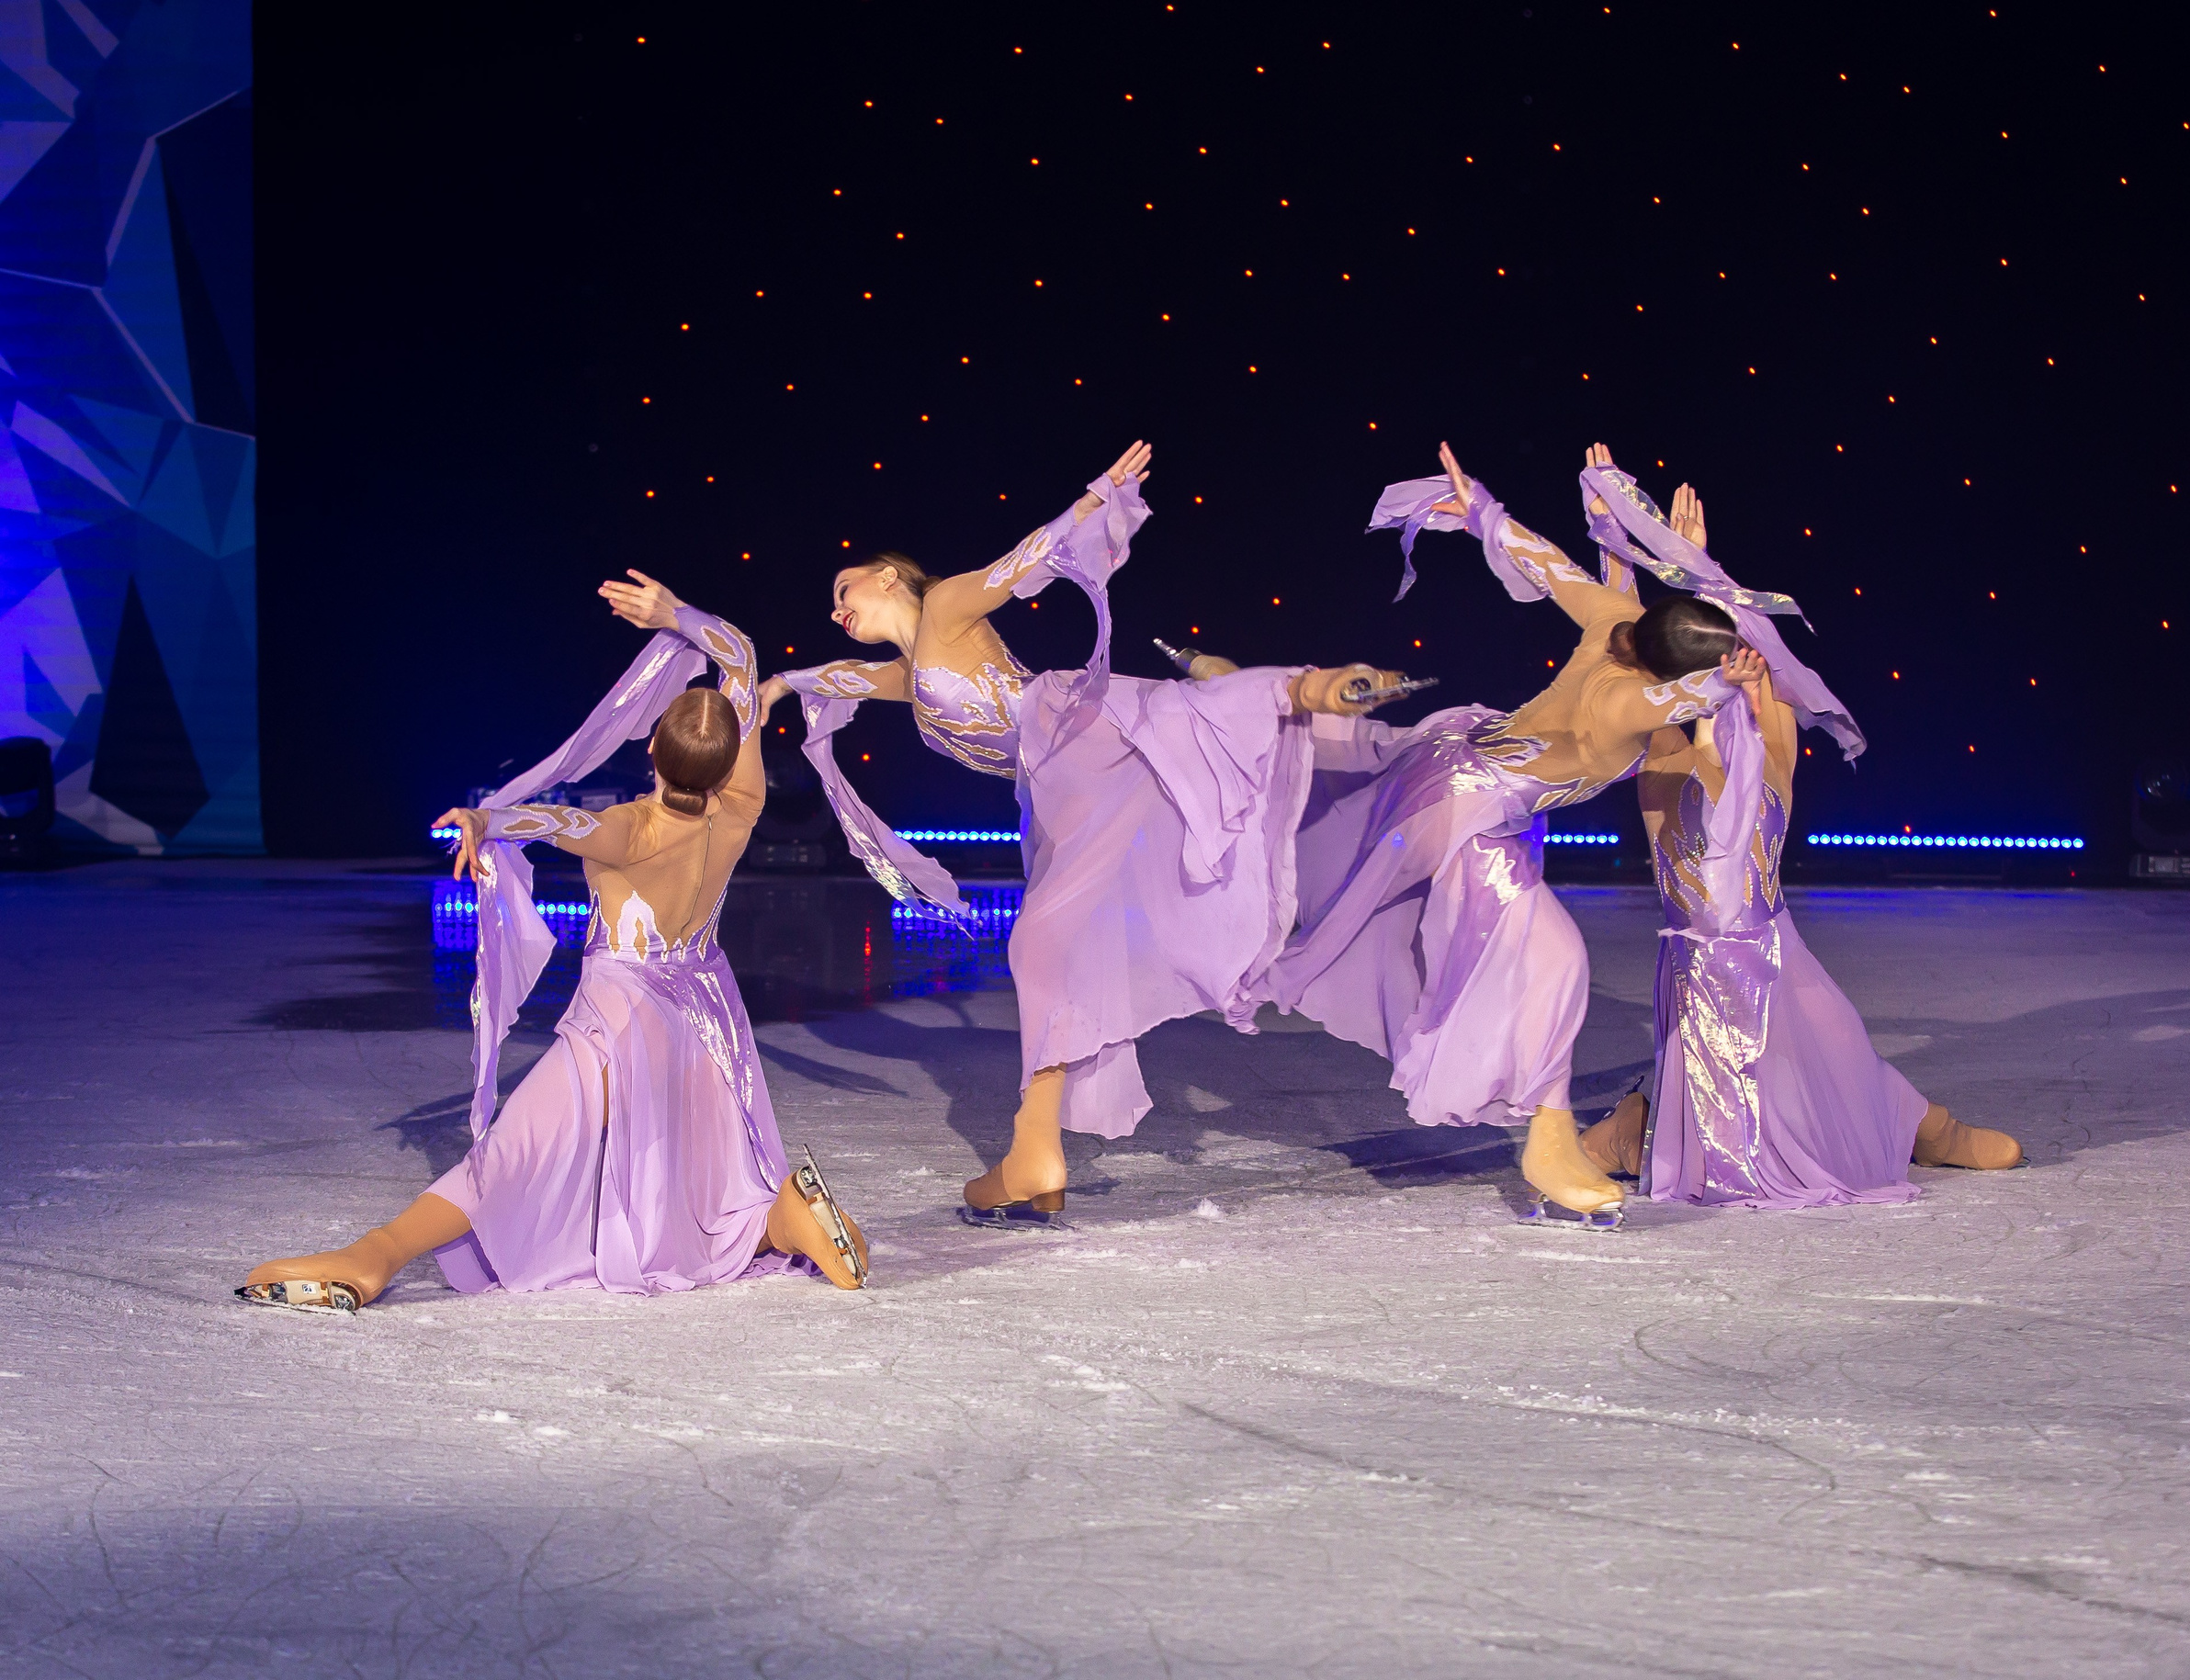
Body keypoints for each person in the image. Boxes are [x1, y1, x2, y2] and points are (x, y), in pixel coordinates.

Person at [762, 441, 1400, 1225]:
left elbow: (1021, 561)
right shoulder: (907, 674)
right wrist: (777, 683)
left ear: (889, 576)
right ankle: (1036, 1151)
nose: (836, 605)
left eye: (844, 587)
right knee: (1045, 949)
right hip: (1057, 788)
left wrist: (1094, 502)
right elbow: (841, 677)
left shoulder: (947, 607)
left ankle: (1311, 691)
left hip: (1070, 731)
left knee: (1173, 734)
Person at [240, 575, 867, 1312]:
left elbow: (550, 821)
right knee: (694, 1177)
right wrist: (678, 614)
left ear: (653, 748)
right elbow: (743, 655)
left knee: (513, 1151)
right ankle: (783, 1219)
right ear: (731, 757)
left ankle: (372, 1255)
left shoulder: (629, 829)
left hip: (622, 1017)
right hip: (707, 1013)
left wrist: (485, 820)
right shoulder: (741, 804)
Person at [1250, 442, 1758, 1228]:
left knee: (1512, 957)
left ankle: (1538, 1123)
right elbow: (1679, 697)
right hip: (1469, 813)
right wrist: (1726, 677)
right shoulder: (1628, 702)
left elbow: (1548, 562)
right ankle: (1549, 1141)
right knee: (1555, 959)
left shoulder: (1616, 619)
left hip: (1473, 773)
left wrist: (1485, 512)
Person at [1584, 479, 2024, 1203]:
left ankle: (1925, 1125)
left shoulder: (1774, 740)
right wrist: (1615, 551)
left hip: (1779, 954)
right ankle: (1636, 1126)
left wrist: (1697, 567)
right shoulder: (1663, 762)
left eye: (1749, 660)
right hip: (1703, 980)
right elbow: (1626, 667)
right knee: (1743, 1122)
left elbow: (1741, 658)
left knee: (1839, 1049)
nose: (1750, 668)